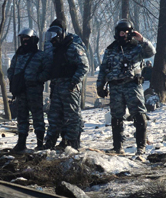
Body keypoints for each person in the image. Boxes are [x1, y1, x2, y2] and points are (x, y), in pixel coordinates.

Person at [96, 20, 155, 155]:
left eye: (126, 32)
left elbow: (151, 52)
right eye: (121, 32)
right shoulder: (111, 49)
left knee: (139, 115)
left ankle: (140, 146)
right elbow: (104, 69)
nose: (123, 35)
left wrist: (142, 39)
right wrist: (100, 86)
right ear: (117, 33)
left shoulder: (137, 47)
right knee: (116, 117)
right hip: (115, 87)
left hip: (132, 86)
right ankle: (118, 147)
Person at [43, 19, 89, 150]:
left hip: (70, 87)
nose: (51, 39)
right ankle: (50, 142)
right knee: (54, 116)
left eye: (53, 35)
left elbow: (84, 66)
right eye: (49, 35)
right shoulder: (55, 49)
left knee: (72, 116)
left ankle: (72, 143)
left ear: (61, 34)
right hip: (57, 87)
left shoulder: (72, 47)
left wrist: (74, 81)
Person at [7, 28, 50, 152]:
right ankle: (21, 143)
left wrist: (37, 79)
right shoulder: (18, 54)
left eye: (27, 39)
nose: (25, 41)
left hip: (34, 91)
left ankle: (40, 143)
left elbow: (48, 71)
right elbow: (11, 70)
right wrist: (14, 81)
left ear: (33, 40)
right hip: (21, 91)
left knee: (38, 117)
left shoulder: (41, 55)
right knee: (22, 117)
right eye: (23, 39)